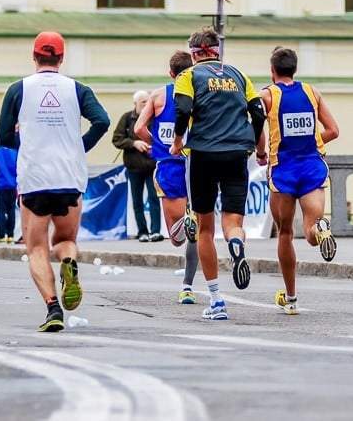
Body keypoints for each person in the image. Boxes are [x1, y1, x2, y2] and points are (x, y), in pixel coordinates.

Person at [0, 31, 109, 332]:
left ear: (34, 56)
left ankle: (52, 308)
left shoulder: (18, 89)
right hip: (69, 176)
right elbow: (103, 121)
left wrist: (28, 141)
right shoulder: (78, 89)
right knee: (65, 240)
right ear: (61, 58)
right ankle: (69, 264)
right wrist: (79, 146)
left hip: (35, 177)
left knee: (36, 248)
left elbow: (3, 136)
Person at [170, 27, 265, 321]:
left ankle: (216, 300)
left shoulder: (189, 76)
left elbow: (183, 108)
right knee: (234, 222)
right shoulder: (239, 75)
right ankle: (236, 245)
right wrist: (252, 141)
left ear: (195, 52)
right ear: (216, 51)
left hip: (204, 153)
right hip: (238, 152)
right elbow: (258, 111)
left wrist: (177, 140)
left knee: (205, 228)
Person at [255, 47, 340, 315]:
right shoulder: (312, 93)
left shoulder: (267, 96)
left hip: (283, 171)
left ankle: (290, 298)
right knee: (311, 231)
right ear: (295, 69)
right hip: (312, 167)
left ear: (272, 70)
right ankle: (322, 229)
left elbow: (256, 133)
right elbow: (333, 131)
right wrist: (312, 143)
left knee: (285, 233)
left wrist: (261, 154)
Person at [134, 50, 200, 304]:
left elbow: (139, 128)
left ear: (171, 73)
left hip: (169, 166)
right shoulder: (200, 93)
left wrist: (157, 144)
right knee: (195, 231)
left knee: (177, 238)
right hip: (197, 164)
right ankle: (187, 285)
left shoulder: (159, 95)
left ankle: (188, 222)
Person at [113, 90, 163, 242]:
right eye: (143, 102)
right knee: (137, 200)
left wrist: (154, 146)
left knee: (154, 198)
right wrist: (134, 143)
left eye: (148, 101)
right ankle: (142, 231)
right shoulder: (127, 118)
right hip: (134, 167)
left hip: (152, 165)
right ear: (135, 104)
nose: (147, 105)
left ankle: (155, 231)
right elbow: (117, 139)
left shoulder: (156, 118)